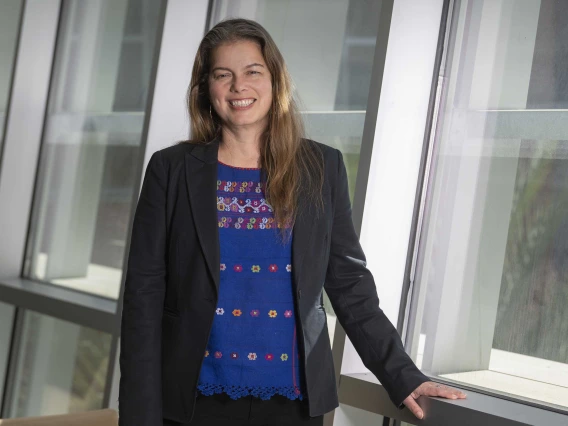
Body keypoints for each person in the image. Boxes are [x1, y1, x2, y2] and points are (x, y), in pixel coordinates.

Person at [118, 18, 466, 426]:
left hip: (294, 404)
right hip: (193, 399)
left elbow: (349, 285)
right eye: (222, 75)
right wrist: (140, 415)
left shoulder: (321, 167)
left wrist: (401, 374)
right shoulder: (170, 170)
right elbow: (143, 298)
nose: (238, 87)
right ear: (206, 89)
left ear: (275, 80)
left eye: (252, 72)